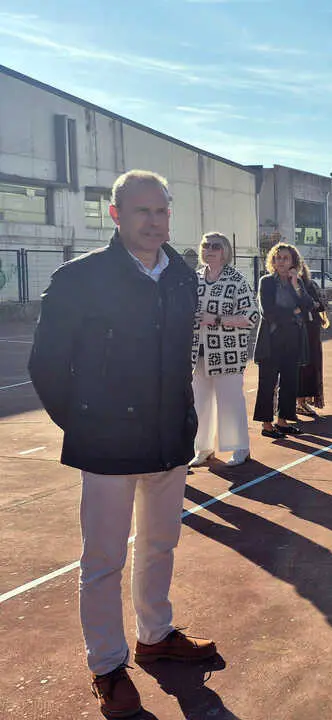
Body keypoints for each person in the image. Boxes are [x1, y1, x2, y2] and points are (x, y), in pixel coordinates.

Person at [28, 170, 217, 719]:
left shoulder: (180, 274)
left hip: (168, 439)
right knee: (104, 558)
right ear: (115, 214)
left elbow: (181, 353)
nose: (154, 221)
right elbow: (47, 365)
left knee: (160, 544)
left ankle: (156, 634)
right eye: (142, 211)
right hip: (106, 444)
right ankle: (107, 665)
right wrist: (85, 424)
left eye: (162, 211)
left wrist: (183, 419)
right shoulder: (79, 279)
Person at [190, 232, 259, 467]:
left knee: (230, 401)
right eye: (206, 245)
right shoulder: (195, 278)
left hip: (227, 352)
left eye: (216, 246)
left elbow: (251, 316)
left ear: (225, 251)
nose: (210, 249)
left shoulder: (236, 279)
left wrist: (216, 319)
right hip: (197, 352)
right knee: (200, 401)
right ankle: (203, 448)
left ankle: (239, 448)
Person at [252, 242, 314, 439]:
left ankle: (283, 421)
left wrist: (296, 285)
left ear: (293, 261)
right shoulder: (266, 282)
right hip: (271, 339)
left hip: (293, 338)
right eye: (278, 257)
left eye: (285, 258)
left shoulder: (298, 282)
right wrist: (294, 312)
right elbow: (267, 312)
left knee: (289, 382)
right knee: (267, 383)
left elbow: (308, 305)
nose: (281, 261)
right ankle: (267, 424)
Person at [296, 260, 328, 417]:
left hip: (311, 330)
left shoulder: (309, 284)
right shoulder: (283, 285)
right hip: (294, 330)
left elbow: (321, 304)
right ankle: (295, 402)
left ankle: (303, 402)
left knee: (310, 366)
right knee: (296, 368)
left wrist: (312, 304)